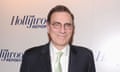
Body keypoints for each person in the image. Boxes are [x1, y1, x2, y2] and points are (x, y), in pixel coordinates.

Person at [20, 5, 96, 72]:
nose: (62, 30)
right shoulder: (31, 57)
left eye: (67, 25)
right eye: (57, 25)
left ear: (72, 28)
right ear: (48, 27)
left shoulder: (85, 56)